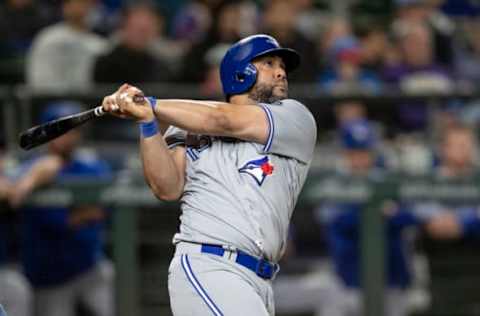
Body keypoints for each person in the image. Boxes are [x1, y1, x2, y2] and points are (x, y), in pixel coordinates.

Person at [101, 34, 317, 316]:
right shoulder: (185, 126)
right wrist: (147, 123)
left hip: (260, 280)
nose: (281, 72)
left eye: (283, 67)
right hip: (208, 265)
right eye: (269, 63)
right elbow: (166, 188)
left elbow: (222, 119)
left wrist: (147, 103)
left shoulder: (295, 118)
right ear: (242, 71)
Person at [7, 102, 114, 316]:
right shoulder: (31, 170)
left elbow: (106, 209)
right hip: (49, 276)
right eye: (59, 130)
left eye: (72, 130)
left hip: (88, 266)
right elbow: (57, 223)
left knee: (106, 273)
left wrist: (79, 215)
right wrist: (83, 214)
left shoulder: (91, 167)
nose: (67, 136)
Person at [315, 120, 428, 316]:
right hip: (348, 281)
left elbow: (415, 215)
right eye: (354, 153)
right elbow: (333, 220)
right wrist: (377, 211)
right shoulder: (334, 183)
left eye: (365, 153)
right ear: (345, 154)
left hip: (391, 280)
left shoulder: (388, 180)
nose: (360, 160)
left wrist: (393, 214)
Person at [26, 0, 107, 93]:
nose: (82, 8)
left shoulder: (100, 44)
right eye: (78, 3)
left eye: (86, 4)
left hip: (90, 99)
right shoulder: (49, 37)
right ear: (65, 7)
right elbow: (38, 81)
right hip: (52, 99)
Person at [0, 144, 32, 316]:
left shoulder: (12, 174)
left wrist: (26, 184)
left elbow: (49, 164)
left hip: (5, 270)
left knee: (15, 289)